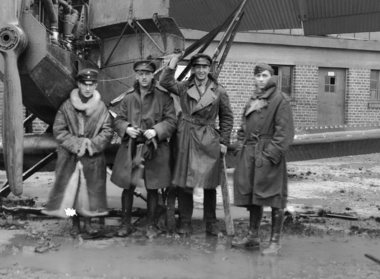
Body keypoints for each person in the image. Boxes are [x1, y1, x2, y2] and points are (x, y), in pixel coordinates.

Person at [160, 52, 234, 235]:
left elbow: (227, 117)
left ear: (209, 69)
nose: (201, 71)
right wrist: (173, 63)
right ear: (193, 69)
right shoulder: (185, 87)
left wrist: (224, 141)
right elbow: (165, 82)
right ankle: (185, 222)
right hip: (186, 137)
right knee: (186, 183)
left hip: (208, 138)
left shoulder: (219, 91)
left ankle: (211, 223)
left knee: (210, 183)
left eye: (204, 67)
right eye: (197, 67)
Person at [231, 63, 295, 255]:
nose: (260, 79)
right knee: (253, 195)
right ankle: (253, 237)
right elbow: (243, 126)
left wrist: (269, 156)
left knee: (275, 197)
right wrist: (241, 145)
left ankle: (275, 242)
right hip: (250, 153)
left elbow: (284, 135)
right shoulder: (254, 98)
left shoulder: (279, 100)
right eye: (258, 76)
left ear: (272, 77)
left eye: (264, 75)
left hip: (268, 154)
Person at [43, 68, 113, 236]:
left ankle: (88, 224)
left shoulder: (101, 108)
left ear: (96, 85)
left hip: (93, 159)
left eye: (91, 85)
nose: (87, 89)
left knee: (89, 194)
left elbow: (108, 130)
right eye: (84, 84)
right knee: (70, 194)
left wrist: (92, 144)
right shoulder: (66, 107)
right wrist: (77, 144)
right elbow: (59, 130)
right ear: (78, 84)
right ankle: (74, 223)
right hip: (70, 158)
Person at [111, 59, 177, 238]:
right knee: (128, 187)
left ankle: (151, 225)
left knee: (153, 187)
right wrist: (127, 128)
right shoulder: (129, 97)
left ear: (152, 75)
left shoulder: (164, 97)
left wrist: (156, 131)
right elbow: (117, 120)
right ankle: (125, 224)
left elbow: (172, 121)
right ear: (136, 75)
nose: (144, 77)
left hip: (155, 148)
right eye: (141, 74)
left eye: (147, 74)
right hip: (132, 147)